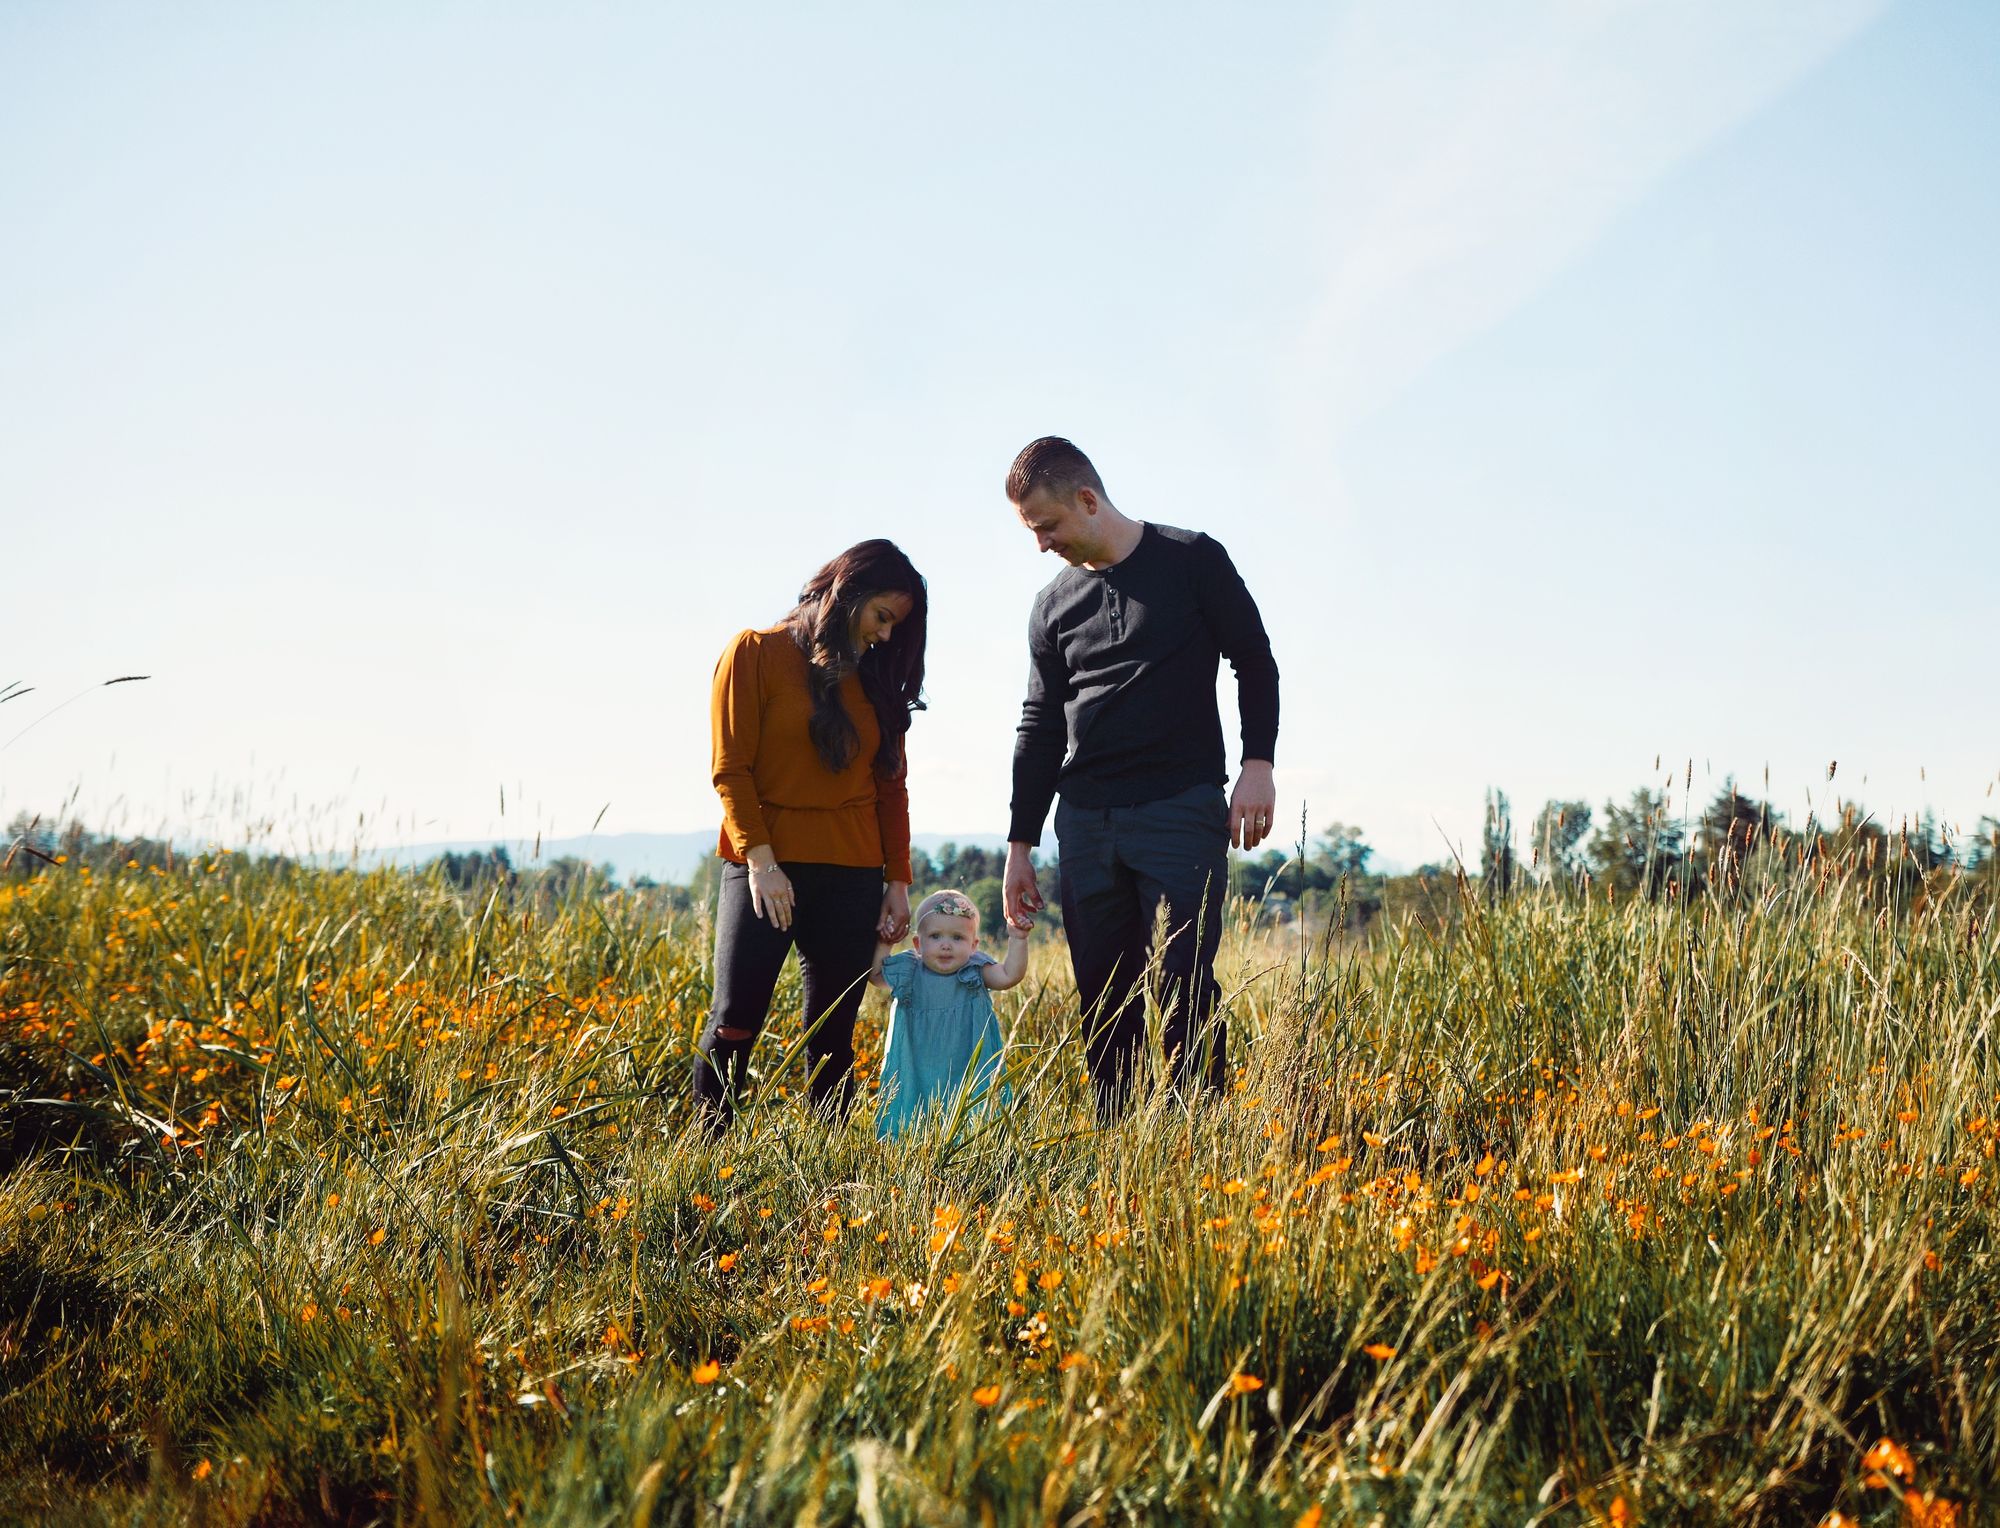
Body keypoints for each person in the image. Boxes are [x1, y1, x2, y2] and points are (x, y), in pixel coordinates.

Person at [1000, 437, 1279, 1118]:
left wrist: (1257, 766)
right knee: (1102, 990)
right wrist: (1020, 845)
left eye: (1047, 527)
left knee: (1184, 979)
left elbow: (1254, 659)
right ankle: (1116, 1136)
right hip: (1086, 820)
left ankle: (1194, 1132)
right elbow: (1038, 724)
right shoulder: (1051, 605)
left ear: (1087, 500)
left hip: (1180, 807)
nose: (1041, 545)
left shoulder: (1192, 560)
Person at [695, 539, 927, 1129]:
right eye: (882, 616)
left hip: (852, 873)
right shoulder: (754, 652)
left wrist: (897, 880)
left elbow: (890, 789)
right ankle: (703, 1153)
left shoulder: (874, 682)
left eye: (895, 627)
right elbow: (731, 769)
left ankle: (827, 1166)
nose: (884, 636)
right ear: (848, 592)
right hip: (765, 870)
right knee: (734, 1019)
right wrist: (762, 863)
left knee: (833, 1037)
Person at [869, 889, 1028, 1139]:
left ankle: (974, 1149)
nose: (946, 945)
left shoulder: (974, 972)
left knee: (971, 1111)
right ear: (918, 944)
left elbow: (1009, 975)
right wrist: (885, 943)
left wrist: (1018, 938)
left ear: (973, 945)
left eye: (957, 937)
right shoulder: (909, 972)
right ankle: (910, 1150)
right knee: (911, 1113)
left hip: (966, 1063)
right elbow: (876, 975)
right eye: (935, 936)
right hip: (915, 1063)